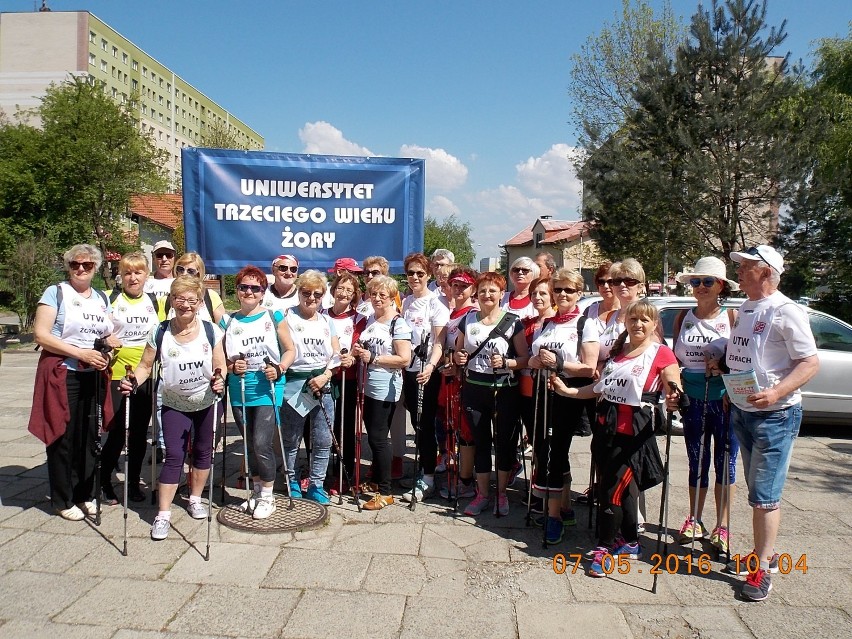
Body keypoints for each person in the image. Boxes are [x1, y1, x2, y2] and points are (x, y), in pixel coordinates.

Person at [550, 300, 680, 576]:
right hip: (606, 429)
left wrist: (674, 398)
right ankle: (631, 541)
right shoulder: (618, 355)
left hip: (633, 431)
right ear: (626, 323)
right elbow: (597, 389)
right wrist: (566, 391)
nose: (638, 325)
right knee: (625, 490)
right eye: (634, 319)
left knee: (612, 491)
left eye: (645, 320)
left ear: (654, 325)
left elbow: (673, 385)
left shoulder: (661, 353)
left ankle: (605, 547)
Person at [722, 245, 819, 602]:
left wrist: (777, 392)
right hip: (744, 408)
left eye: (746, 267)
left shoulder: (785, 310)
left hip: (775, 415)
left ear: (765, 272)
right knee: (756, 489)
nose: (740, 272)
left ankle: (762, 569)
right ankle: (768, 552)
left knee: (764, 497)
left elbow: (809, 363)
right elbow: (746, 354)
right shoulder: (747, 307)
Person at [119, 276, 226, 540]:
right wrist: (132, 380)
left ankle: (195, 499)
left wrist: (220, 378)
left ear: (200, 303)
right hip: (173, 404)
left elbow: (220, 364)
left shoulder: (212, 330)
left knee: (203, 452)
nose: (186, 305)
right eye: (180, 299)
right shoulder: (160, 331)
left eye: (192, 300)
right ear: (173, 301)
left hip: (205, 402)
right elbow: (145, 366)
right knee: (174, 456)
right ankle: (163, 514)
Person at [29, 244, 114, 520]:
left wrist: (108, 354)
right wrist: (79, 353)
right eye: (75, 264)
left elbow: (107, 336)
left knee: (89, 436)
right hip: (63, 372)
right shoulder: (56, 293)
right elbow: (41, 335)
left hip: (92, 374)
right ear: (68, 266)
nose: (80, 269)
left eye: (87, 265)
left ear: (95, 269)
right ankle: (63, 498)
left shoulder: (101, 297)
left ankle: (84, 493)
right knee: (62, 435)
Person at [672, 256, 740, 554]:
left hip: (724, 399)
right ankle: (694, 519)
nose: (700, 287)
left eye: (707, 282)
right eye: (696, 282)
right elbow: (675, 360)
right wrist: (673, 389)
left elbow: (743, 360)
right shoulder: (683, 316)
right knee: (697, 461)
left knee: (725, 463)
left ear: (721, 286)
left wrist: (723, 366)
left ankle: (722, 526)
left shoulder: (733, 317)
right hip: (694, 398)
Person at [528, 268, 599, 544]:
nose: (563, 295)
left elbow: (589, 367)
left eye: (569, 290)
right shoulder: (548, 323)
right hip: (542, 392)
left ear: (579, 293)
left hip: (568, 393)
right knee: (545, 450)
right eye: (558, 290)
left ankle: (554, 517)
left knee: (556, 453)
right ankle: (563, 507)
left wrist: (557, 364)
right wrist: (536, 362)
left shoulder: (585, 323)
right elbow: (535, 357)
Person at [222, 266, 295, 519]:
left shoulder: (273, 316)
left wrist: (280, 367)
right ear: (238, 291)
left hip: (267, 385)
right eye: (244, 287)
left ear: (263, 292)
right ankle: (255, 493)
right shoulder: (228, 321)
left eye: (255, 288)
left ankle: (268, 496)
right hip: (240, 387)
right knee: (249, 444)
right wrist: (232, 366)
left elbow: (290, 350)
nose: (249, 292)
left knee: (262, 442)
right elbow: (220, 359)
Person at [454, 272, 529, 517]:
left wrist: (507, 363)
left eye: (493, 290)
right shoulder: (468, 320)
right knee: (481, 443)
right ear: (477, 293)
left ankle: (502, 494)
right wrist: (459, 357)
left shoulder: (512, 321)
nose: (487, 295)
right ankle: (482, 494)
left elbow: (525, 358)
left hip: (504, 391)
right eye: (483, 290)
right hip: (475, 389)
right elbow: (457, 353)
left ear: (501, 293)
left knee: (505, 444)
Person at [100, 252, 162, 505]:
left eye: (138, 272)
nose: (133, 277)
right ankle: (103, 480)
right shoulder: (110, 299)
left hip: (146, 374)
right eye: (128, 273)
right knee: (116, 433)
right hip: (117, 374)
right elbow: (97, 332)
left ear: (146, 275)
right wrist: (105, 341)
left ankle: (134, 481)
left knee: (138, 434)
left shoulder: (154, 300)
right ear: (121, 276)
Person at [351, 275, 412, 510]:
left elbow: (404, 359)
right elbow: (367, 348)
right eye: (373, 294)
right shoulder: (370, 320)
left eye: (382, 295)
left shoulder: (398, 323)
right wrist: (360, 350)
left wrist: (375, 358)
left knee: (378, 439)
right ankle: (376, 482)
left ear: (391, 297)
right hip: (366, 384)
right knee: (375, 436)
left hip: (384, 386)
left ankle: (386, 492)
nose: (377, 298)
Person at [280, 270, 341, 505]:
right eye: (306, 293)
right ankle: (292, 481)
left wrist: (326, 375)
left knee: (323, 439)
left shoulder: (327, 322)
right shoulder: (286, 317)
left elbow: (335, 354)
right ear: (299, 293)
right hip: (295, 384)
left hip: (322, 384)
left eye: (317, 294)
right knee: (291, 438)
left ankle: (317, 484)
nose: (311, 298)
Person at [400, 253, 449, 503]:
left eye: (420, 273)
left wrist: (431, 366)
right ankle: (423, 469)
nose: (415, 277)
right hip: (408, 371)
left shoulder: (436, 304)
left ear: (428, 275)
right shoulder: (407, 302)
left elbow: (439, 342)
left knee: (425, 425)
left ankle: (428, 478)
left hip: (426, 373)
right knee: (416, 423)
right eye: (411, 273)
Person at [437, 267, 479, 499]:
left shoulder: (472, 313)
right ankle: (459, 474)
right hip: (449, 377)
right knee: (451, 425)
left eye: (464, 286)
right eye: (455, 285)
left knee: (465, 429)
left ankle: (466, 480)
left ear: (472, 289)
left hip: (464, 378)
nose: (459, 289)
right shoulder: (453, 313)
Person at [323, 271, 366, 487]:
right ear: (333, 290)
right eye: (341, 288)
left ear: (354, 295)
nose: (344, 293)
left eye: (349, 290)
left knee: (344, 427)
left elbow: (358, 344)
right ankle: (318, 473)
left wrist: (352, 355)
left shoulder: (359, 318)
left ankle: (344, 474)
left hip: (346, 379)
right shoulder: (322, 314)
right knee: (322, 427)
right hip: (323, 377)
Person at [163, 252, 225, 324]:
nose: (184, 274)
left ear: (199, 274)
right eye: (180, 269)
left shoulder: (211, 296)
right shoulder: (167, 298)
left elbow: (222, 328)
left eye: (190, 271)